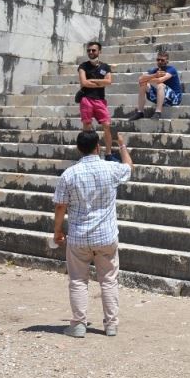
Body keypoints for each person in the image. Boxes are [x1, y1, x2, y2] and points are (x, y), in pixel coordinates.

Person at [53, 130, 134, 338]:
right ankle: (111, 325)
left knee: (78, 281)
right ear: (98, 147)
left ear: (78, 149)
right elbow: (129, 167)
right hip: (106, 235)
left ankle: (79, 324)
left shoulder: (69, 174)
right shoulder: (110, 168)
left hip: (79, 236)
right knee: (109, 280)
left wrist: (57, 231)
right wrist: (122, 145)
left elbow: (60, 206)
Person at [77, 41, 118, 161]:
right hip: (86, 99)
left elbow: (109, 82)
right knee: (87, 127)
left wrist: (92, 81)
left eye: (93, 50)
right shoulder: (83, 66)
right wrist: (100, 83)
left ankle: (108, 153)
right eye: (89, 50)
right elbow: (84, 83)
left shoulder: (105, 67)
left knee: (107, 125)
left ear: (99, 51)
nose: (91, 52)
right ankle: (87, 154)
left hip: (100, 100)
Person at [126, 49, 183, 121]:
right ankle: (140, 112)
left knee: (160, 84)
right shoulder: (154, 71)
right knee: (143, 84)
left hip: (174, 99)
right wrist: (154, 75)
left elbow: (160, 80)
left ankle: (158, 112)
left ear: (167, 61)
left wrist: (147, 79)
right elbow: (140, 79)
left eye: (162, 60)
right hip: (161, 98)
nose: (160, 62)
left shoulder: (171, 69)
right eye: (158, 60)